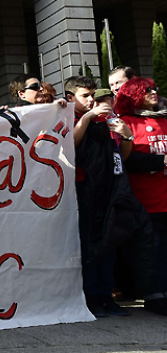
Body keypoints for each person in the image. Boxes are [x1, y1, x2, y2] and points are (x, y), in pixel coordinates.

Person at [67, 75, 167, 317]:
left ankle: (106, 297)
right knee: (91, 248)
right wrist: (88, 117)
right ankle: (92, 298)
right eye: (86, 96)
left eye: (94, 96)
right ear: (71, 98)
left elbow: (121, 156)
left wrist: (126, 136)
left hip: (111, 190)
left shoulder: (107, 120)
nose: (92, 101)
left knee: (109, 244)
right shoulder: (73, 119)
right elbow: (70, 144)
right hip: (86, 191)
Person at [115, 77, 167, 305]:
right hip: (146, 201)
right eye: (147, 90)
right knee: (151, 251)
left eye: (154, 88)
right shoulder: (126, 122)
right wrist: (161, 161)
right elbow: (127, 159)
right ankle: (154, 296)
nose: (153, 92)